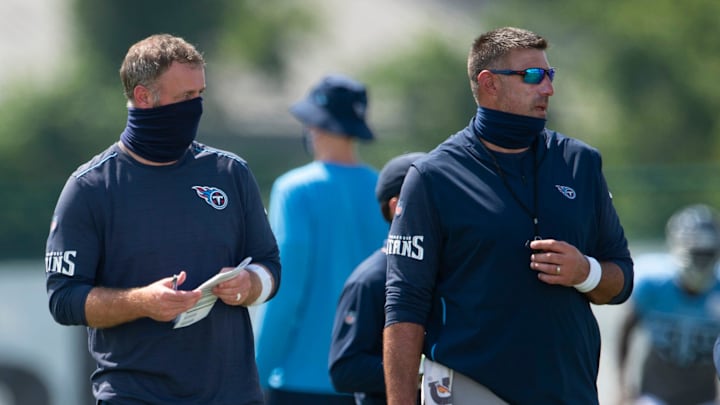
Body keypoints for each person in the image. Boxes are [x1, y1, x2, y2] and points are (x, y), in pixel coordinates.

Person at [382, 26, 635, 405]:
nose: (547, 88)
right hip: (470, 387)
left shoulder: (580, 163)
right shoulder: (433, 176)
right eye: (532, 76)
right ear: (489, 84)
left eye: (550, 75)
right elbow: (404, 306)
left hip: (569, 391)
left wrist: (587, 272)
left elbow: (623, 277)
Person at [44, 33, 281, 405]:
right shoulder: (90, 187)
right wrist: (142, 301)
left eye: (199, 94)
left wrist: (250, 285)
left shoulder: (230, 173)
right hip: (135, 395)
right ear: (143, 97)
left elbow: (270, 265)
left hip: (231, 395)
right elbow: (63, 299)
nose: (196, 106)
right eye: (185, 97)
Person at [254, 74, 389, 404]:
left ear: (314, 126)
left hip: (299, 382)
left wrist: (251, 374)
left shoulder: (294, 189)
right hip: (367, 378)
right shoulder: (384, 190)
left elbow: (286, 291)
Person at [329, 152, 426, 405]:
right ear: (397, 207)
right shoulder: (370, 279)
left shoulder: (445, 270)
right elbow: (346, 369)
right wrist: (423, 370)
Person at [618, 204, 720, 405]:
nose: (702, 259)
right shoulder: (653, 285)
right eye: (697, 252)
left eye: (707, 253)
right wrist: (622, 385)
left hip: (705, 398)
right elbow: (625, 330)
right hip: (655, 397)